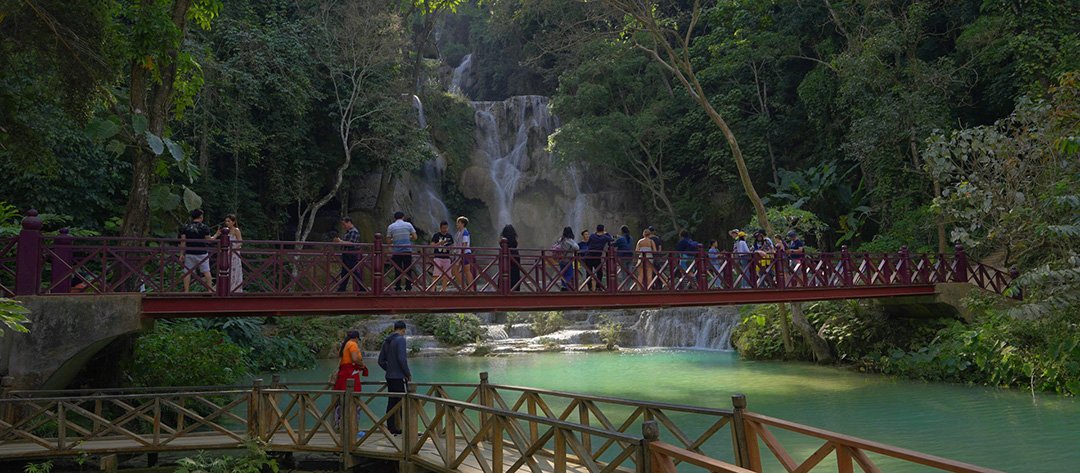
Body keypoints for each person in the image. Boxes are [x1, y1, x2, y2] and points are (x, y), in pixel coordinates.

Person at [377, 321, 411, 435]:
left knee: (392, 402)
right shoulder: (400, 339)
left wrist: (390, 369)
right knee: (404, 402)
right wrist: (407, 374)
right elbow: (402, 359)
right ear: (403, 330)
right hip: (399, 377)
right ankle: (407, 428)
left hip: (390, 377)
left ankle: (391, 428)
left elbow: (380, 361)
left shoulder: (387, 341)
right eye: (404, 331)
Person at [179, 209, 214, 292]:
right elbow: (209, 240)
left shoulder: (186, 227)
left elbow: (183, 241)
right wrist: (217, 234)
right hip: (202, 253)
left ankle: (186, 291)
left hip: (190, 252)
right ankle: (210, 290)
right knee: (206, 271)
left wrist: (181, 254)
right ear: (201, 217)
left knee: (187, 272)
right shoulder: (204, 227)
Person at [386, 211, 417, 292]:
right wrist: (408, 237)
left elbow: (388, 241)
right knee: (408, 269)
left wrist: (395, 239)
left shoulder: (391, 227)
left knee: (397, 270)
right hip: (407, 250)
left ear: (394, 218)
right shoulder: (408, 225)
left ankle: (397, 287)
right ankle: (408, 287)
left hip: (396, 251)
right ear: (403, 217)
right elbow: (415, 237)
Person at [335, 216, 364, 292]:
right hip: (347, 254)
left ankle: (362, 288)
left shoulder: (353, 231)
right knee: (345, 272)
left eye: (344, 224)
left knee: (353, 271)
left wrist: (341, 242)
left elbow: (351, 243)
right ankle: (342, 288)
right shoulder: (349, 232)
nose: (343, 226)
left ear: (349, 222)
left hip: (351, 254)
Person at [585, 225, 614, 291]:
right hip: (597, 257)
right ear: (603, 230)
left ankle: (590, 288)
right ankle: (598, 287)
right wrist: (606, 233)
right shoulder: (605, 237)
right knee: (599, 273)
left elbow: (588, 244)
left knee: (589, 273)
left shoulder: (592, 236)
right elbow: (611, 240)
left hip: (588, 256)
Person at [220, 214, 244, 293]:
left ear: (233, 222)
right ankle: (225, 287)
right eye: (226, 221)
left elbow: (240, 241)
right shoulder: (225, 230)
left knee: (234, 269)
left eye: (229, 221)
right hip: (226, 252)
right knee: (225, 269)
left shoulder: (236, 230)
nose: (227, 223)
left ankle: (235, 288)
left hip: (234, 253)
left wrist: (232, 249)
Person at [430, 221, 454, 292]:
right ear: (440, 228)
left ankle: (443, 290)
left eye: (446, 228)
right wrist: (440, 243)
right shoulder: (436, 235)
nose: (445, 229)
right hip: (438, 256)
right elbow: (432, 245)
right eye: (443, 228)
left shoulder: (449, 236)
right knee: (436, 274)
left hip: (447, 257)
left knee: (446, 275)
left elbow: (452, 246)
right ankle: (432, 289)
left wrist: (449, 247)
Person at [552, 227, 578, 291]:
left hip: (561, 259)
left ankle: (563, 286)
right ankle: (565, 285)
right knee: (570, 273)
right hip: (568, 260)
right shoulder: (570, 240)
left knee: (562, 273)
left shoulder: (561, 239)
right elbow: (577, 247)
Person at [452, 216, 474, 291]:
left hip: (464, 253)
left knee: (467, 271)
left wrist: (461, 253)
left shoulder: (465, 232)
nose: (457, 224)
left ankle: (470, 288)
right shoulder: (458, 233)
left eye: (458, 223)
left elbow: (464, 243)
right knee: (455, 271)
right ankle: (465, 287)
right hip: (459, 254)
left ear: (462, 224)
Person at [501, 224, 521, 291]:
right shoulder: (515, 239)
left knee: (504, 272)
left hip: (505, 256)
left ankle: (504, 288)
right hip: (515, 255)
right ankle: (515, 288)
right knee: (515, 272)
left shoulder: (502, 240)